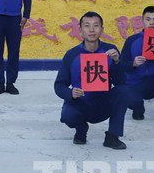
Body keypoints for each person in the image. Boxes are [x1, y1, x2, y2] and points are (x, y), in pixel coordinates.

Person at [54, 12, 129, 149]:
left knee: (124, 91)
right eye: (87, 26)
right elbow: (59, 85)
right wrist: (71, 93)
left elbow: (120, 82)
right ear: (80, 30)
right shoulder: (72, 55)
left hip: (103, 103)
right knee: (68, 116)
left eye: (96, 25)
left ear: (102, 29)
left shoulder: (110, 51)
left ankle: (112, 137)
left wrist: (117, 62)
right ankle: (81, 130)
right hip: (80, 103)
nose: (92, 30)